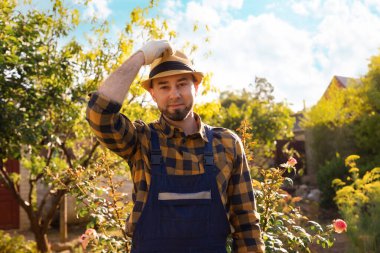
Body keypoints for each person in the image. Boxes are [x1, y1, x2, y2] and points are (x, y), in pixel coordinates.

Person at [86, 40, 265, 253]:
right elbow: (99, 113)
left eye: (181, 84)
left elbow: (246, 226)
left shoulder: (227, 143)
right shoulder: (140, 141)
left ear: (196, 87)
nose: (174, 94)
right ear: (152, 93)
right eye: (164, 86)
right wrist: (141, 57)